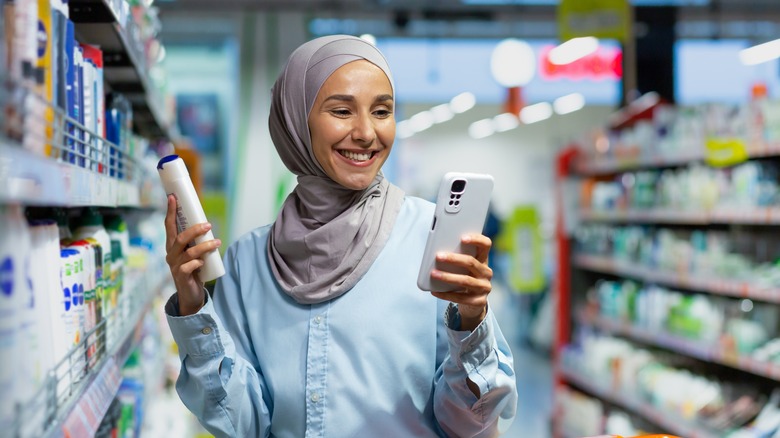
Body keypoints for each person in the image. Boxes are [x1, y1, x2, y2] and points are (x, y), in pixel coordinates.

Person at [163, 34, 518, 437]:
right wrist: (194, 307)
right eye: (342, 110)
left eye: (382, 111)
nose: (367, 132)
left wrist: (471, 320)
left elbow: (467, 425)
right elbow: (242, 424)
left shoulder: (428, 239)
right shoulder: (250, 261)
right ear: (295, 121)